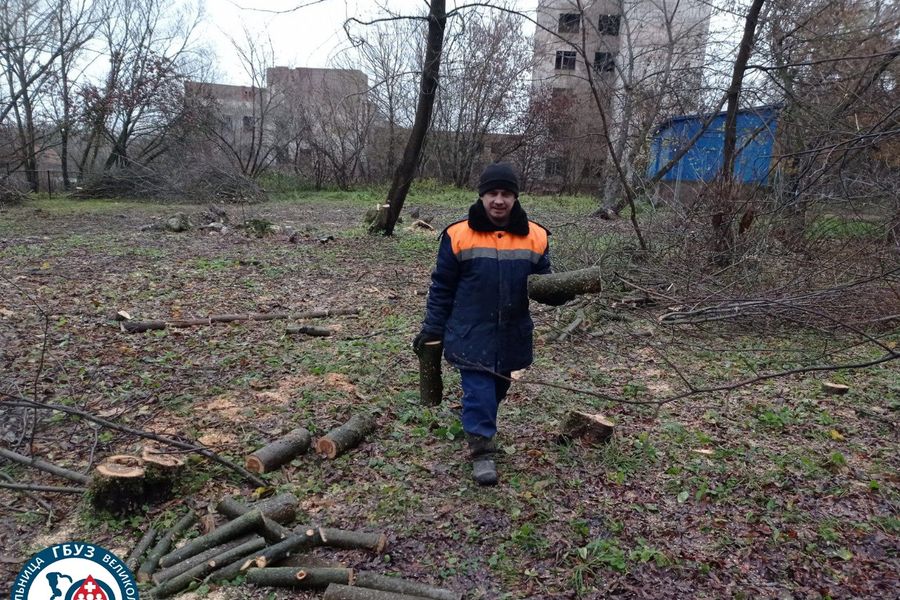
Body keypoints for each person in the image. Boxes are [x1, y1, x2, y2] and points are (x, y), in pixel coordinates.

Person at [413, 163, 554, 486]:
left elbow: (545, 285)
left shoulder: (537, 236)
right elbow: (442, 287)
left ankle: (477, 423)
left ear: (516, 198)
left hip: (512, 334)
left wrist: (563, 292)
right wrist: (433, 328)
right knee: (479, 392)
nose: (499, 200)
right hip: (469, 331)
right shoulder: (457, 235)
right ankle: (481, 452)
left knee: (496, 389)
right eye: (493, 193)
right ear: (482, 196)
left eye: (506, 194)